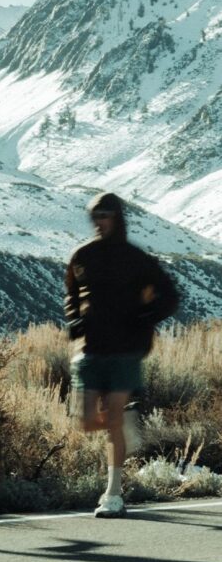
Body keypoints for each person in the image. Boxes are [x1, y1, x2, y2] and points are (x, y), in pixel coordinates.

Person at [65, 192, 179, 518]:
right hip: (90, 349)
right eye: (95, 216)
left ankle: (113, 494)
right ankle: (124, 427)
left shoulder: (136, 259)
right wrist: (74, 319)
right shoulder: (82, 255)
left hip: (126, 350)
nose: (99, 221)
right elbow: (71, 293)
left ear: (117, 217)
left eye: (105, 215)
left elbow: (170, 296)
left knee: (112, 419)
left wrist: (146, 318)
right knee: (86, 422)